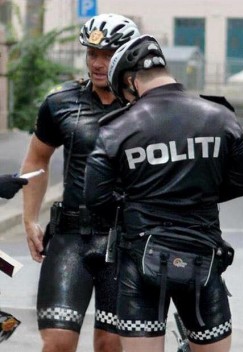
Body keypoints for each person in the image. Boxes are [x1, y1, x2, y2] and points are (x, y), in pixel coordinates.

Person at [84, 34, 243, 352]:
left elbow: (95, 199)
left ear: (131, 81)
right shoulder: (221, 116)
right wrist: (196, 194)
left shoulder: (115, 129)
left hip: (140, 260)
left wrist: (140, 200)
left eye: (124, 93)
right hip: (203, 256)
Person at [20, 13, 140, 352]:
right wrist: (29, 219)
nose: (98, 63)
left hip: (125, 240)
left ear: (128, 54)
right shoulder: (60, 102)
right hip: (71, 236)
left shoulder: (147, 106)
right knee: (57, 341)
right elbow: (36, 159)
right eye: (92, 54)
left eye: (108, 54)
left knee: (110, 343)